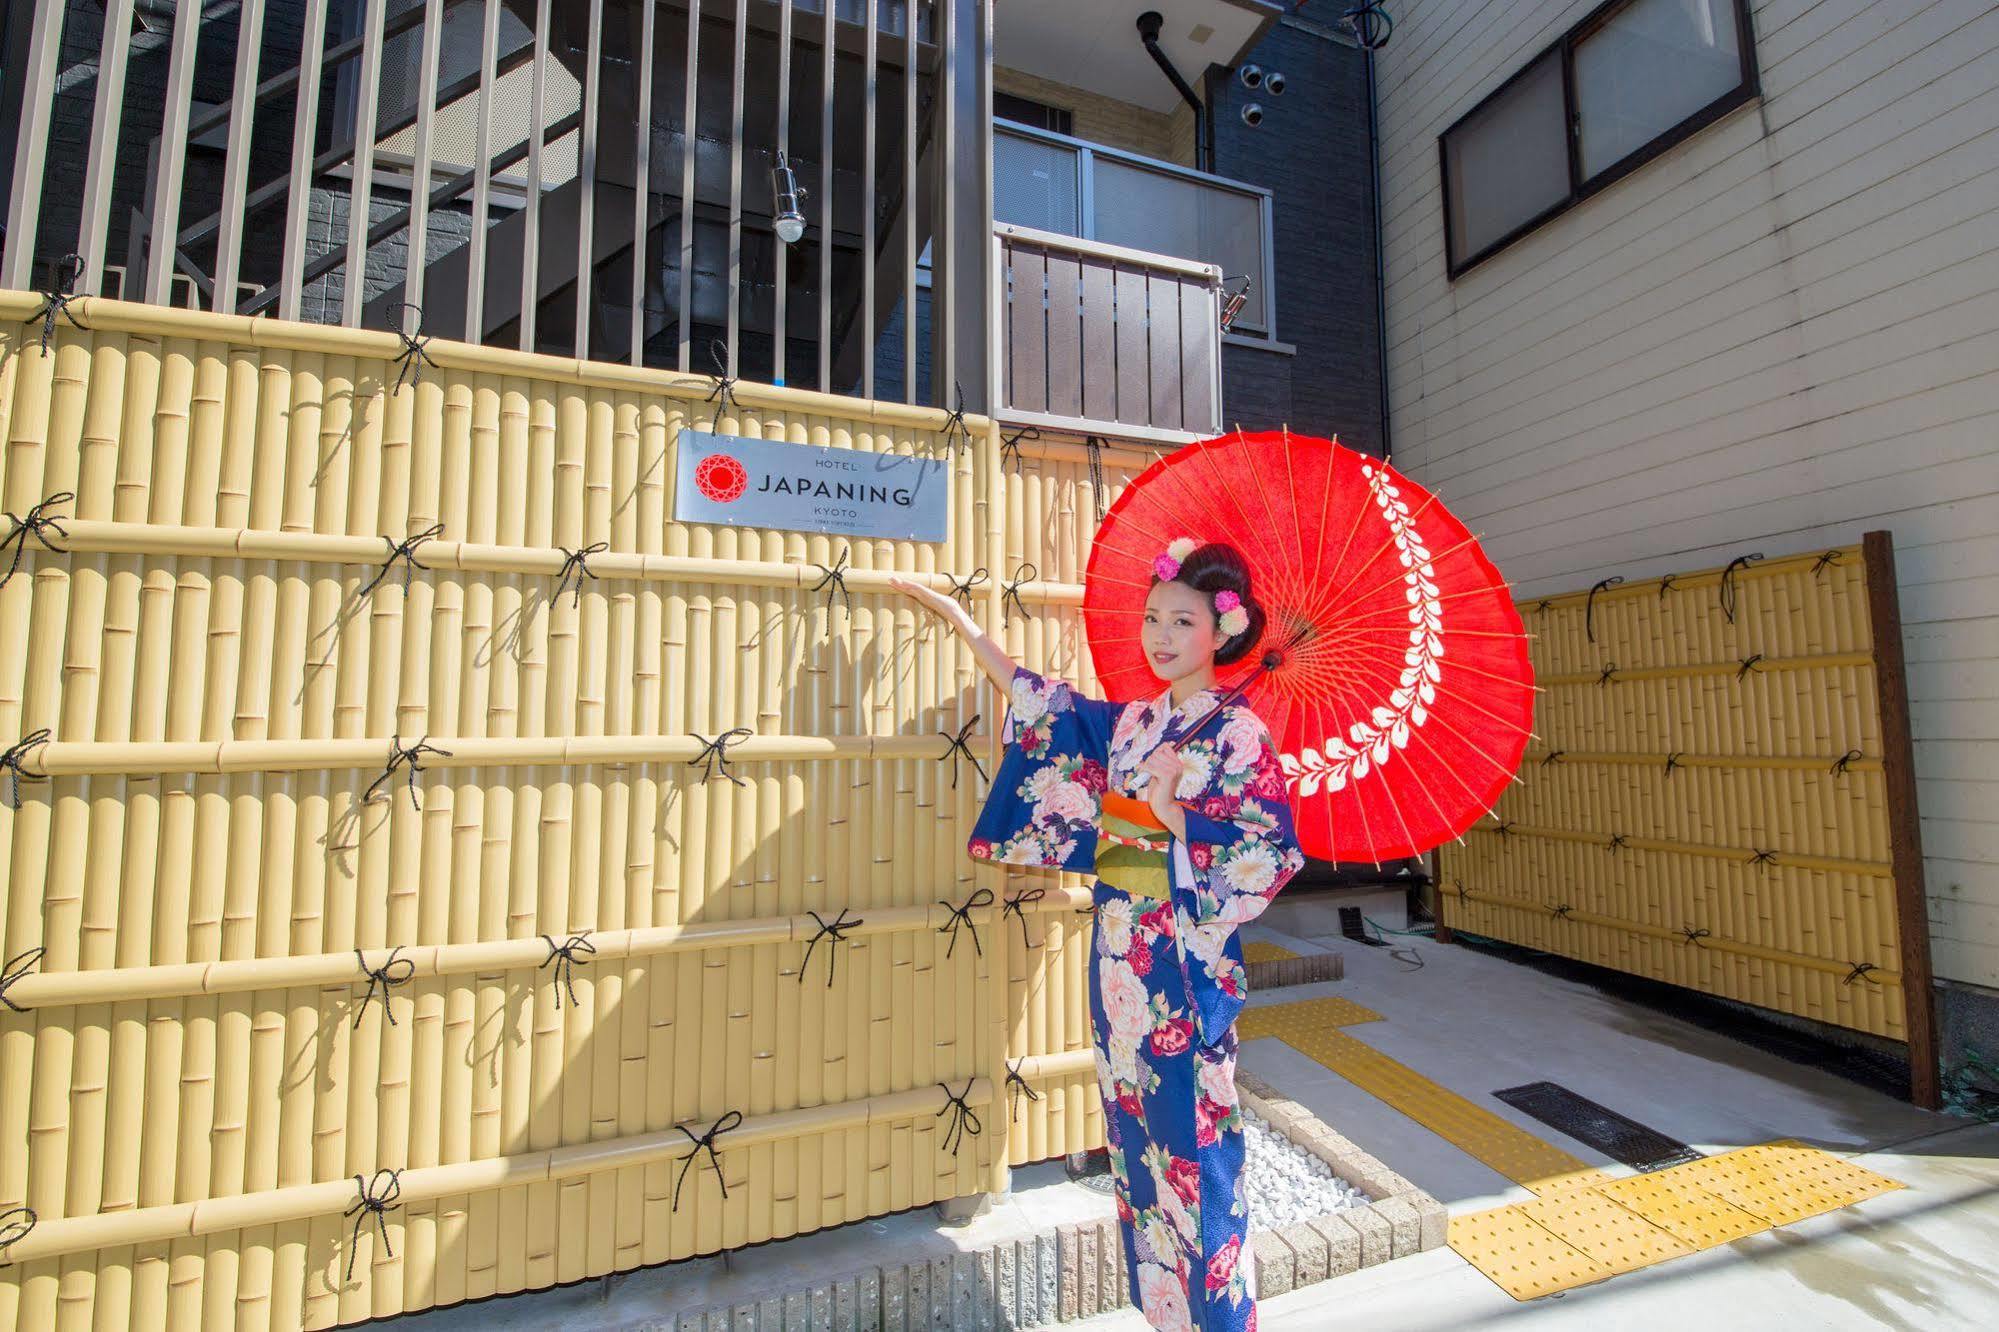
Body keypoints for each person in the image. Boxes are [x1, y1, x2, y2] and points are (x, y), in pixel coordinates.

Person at [890, 539, 1305, 1332]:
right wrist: (961, 625)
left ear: (1222, 632)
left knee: (1195, 1157)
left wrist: (1175, 808)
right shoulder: (1135, 721)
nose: (1160, 635)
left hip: (1184, 969)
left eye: (1181, 621)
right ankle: (1166, 1319)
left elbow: (1267, 854)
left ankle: (1223, 1324)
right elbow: (1046, 707)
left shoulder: (1239, 736)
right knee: (1138, 1153)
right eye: (1153, 618)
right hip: (1118, 955)